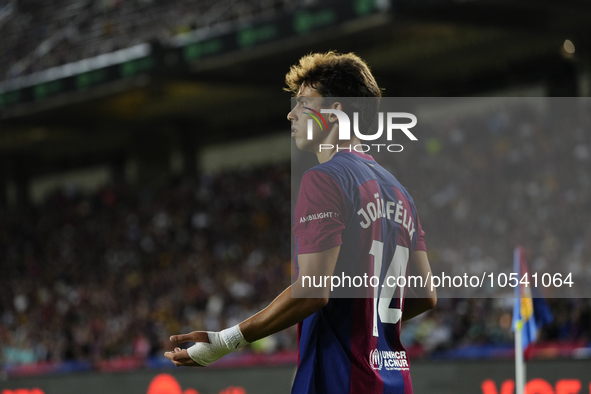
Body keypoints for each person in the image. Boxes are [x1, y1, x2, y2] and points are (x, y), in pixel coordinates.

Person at [164, 51, 436, 394]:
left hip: (341, 381)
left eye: (305, 104)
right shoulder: (400, 192)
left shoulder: (324, 178)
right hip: (396, 381)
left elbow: (313, 291)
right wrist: (369, 325)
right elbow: (426, 295)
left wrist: (225, 340)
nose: (292, 113)